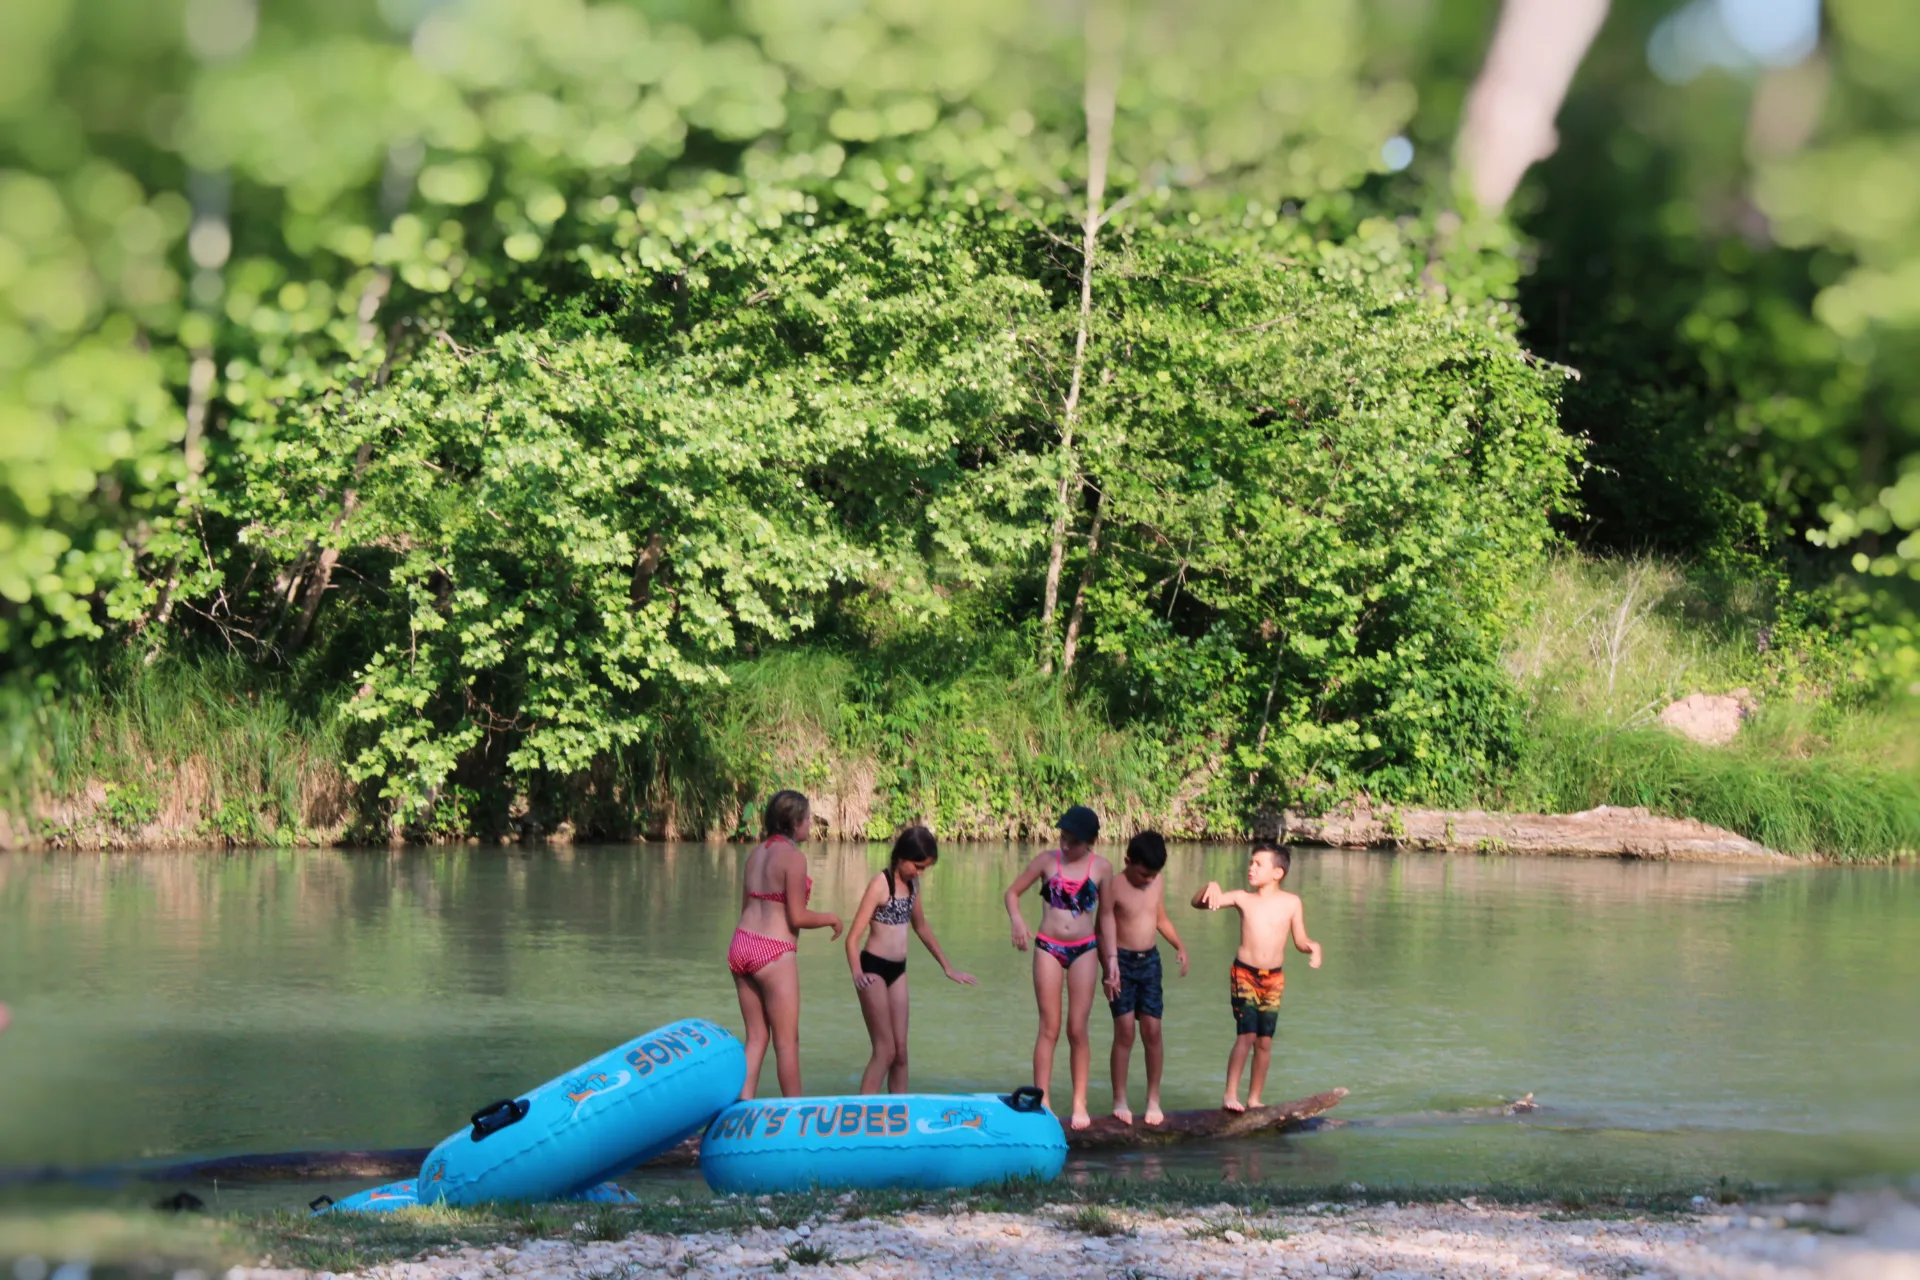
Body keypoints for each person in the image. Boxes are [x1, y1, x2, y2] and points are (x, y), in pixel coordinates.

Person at [1003, 804, 1116, 1129]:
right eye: (1063, 838)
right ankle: (1044, 1100)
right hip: (1048, 948)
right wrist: (1017, 920)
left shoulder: (1103, 869)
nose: (1065, 846)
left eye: (1073, 841)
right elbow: (1012, 893)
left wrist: (1111, 962)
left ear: (1090, 840)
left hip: (1085, 949)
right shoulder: (1046, 861)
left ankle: (1080, 1104)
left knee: (1077, 1028)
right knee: (1048, 1027)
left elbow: (1106, 916)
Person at [1190, 841, 1322, 1112]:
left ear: (1278, 873)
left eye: (1258, 864)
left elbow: (1299, 939)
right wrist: (1211, 886)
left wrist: (1313, 947)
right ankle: (1230, 1095)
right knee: (1247, 1035)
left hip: (1274, 979)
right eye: (1251, 863)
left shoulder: (1291, 903)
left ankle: (1254, 1099)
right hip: (1245, 974)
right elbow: (1198, 903)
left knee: (1264, 1041)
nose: (1250, 868)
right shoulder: (1242, 898)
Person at [845, 825, 977, 1094]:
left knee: (901, 1052)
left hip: (898, 971)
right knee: (885, 1051)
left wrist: (948, 967)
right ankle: (861, 1115)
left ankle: (900, 1115)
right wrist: (857, 973)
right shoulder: (880, 884)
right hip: (873, 970)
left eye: (924, 868)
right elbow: (852, 938)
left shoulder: (913, 885)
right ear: (902, 857)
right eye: (918, 866)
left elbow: (921, 927)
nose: (920, 873)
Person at [728, 789, 842, 1098]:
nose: (810, 824)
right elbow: (797, 916)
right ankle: (795, 1118)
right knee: (787, 1043)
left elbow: (745, 909)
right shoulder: (794, 858)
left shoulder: (755, 856)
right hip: (773, 951)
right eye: (807, 819)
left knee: (755, 1038)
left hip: (741, 945)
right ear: (794, 823)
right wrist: (831, 917)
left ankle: (741, 1105)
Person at [1102, 830, 1189, 1126]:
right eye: (1143, 874)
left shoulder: (1157, 881)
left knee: (1153, 1031)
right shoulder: (1113, 887)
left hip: (1150, 961)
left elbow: (1160, 917)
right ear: (1127, 861)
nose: (1149, 880)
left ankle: (1154, 1098)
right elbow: (1104, 930)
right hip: (1121, 964)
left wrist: (1178, 945)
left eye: (1153, 875)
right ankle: (1120, 1098)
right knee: (1124, 1031)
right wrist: (1108, 969)